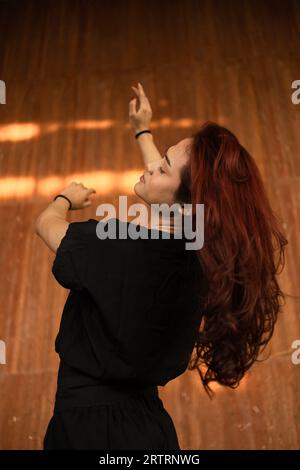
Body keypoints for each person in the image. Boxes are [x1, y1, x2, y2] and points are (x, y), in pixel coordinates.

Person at [36, 83, 287, 450]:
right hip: (150, 429)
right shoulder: (205, 254)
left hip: (85, 430)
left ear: (185, 204)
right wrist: (142, 130)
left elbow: (45, 224)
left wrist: (64, 199)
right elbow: (176, 188)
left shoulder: (108, 244)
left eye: (164, 166)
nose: (153, 168)